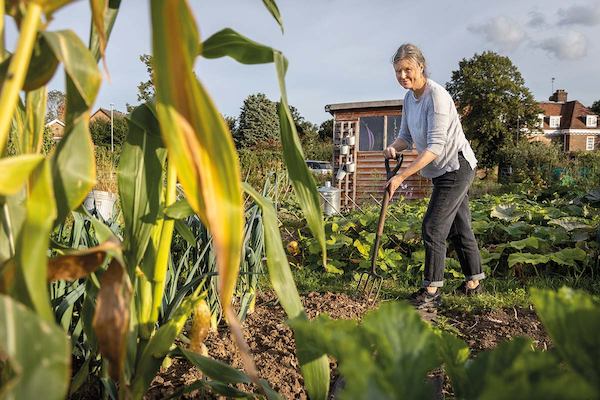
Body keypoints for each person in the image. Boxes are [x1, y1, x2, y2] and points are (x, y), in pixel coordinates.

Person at [384, 43, 484, 308]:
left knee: (433, 226)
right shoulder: (409, 99)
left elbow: (435, 147)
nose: (403, 76)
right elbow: (406, 137)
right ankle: (474, 282)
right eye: (398, 71)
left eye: (407, 69)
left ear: (421, 67)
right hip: (441, 169)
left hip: (456, 165)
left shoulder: (437, 96)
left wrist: (401, 176)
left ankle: (431, 289)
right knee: (459, 226)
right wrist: (394, 147)